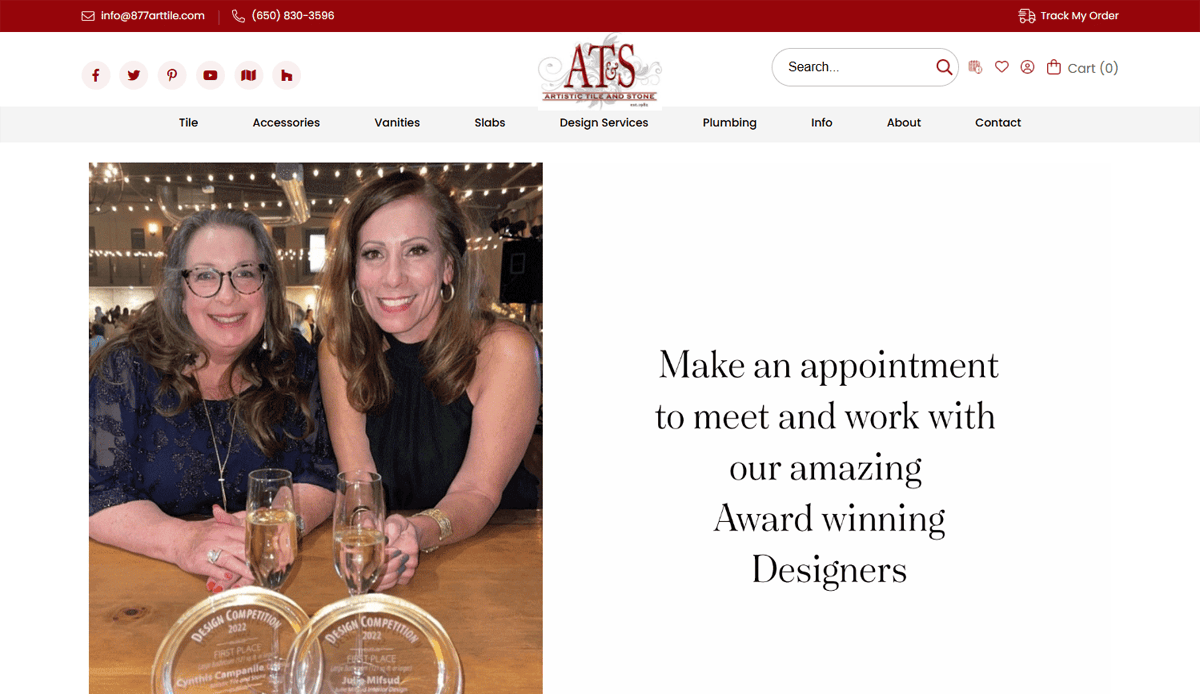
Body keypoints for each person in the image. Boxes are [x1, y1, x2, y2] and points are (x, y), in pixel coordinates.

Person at [89, 209, 337, 593]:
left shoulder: (296, 362)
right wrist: (183, 541)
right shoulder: (125, 369)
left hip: (273, 578)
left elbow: (322, 471)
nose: (227, 294)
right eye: (205, 275)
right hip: (150, 588)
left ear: (267, 286)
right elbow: (95, 491)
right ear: (179, 290)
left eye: (245, 273)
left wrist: (278, 528)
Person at [317, 170, 540, 590]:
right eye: (373, 254)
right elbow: (359, 482)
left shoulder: (504, 350)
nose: (393, 277)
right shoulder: (339, 353)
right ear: (354, 270)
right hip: (399, 565)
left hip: (493, 563)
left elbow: (477, 492)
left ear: (448, 267)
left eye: (416, 250)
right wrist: (372, 536)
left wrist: (417, 531)